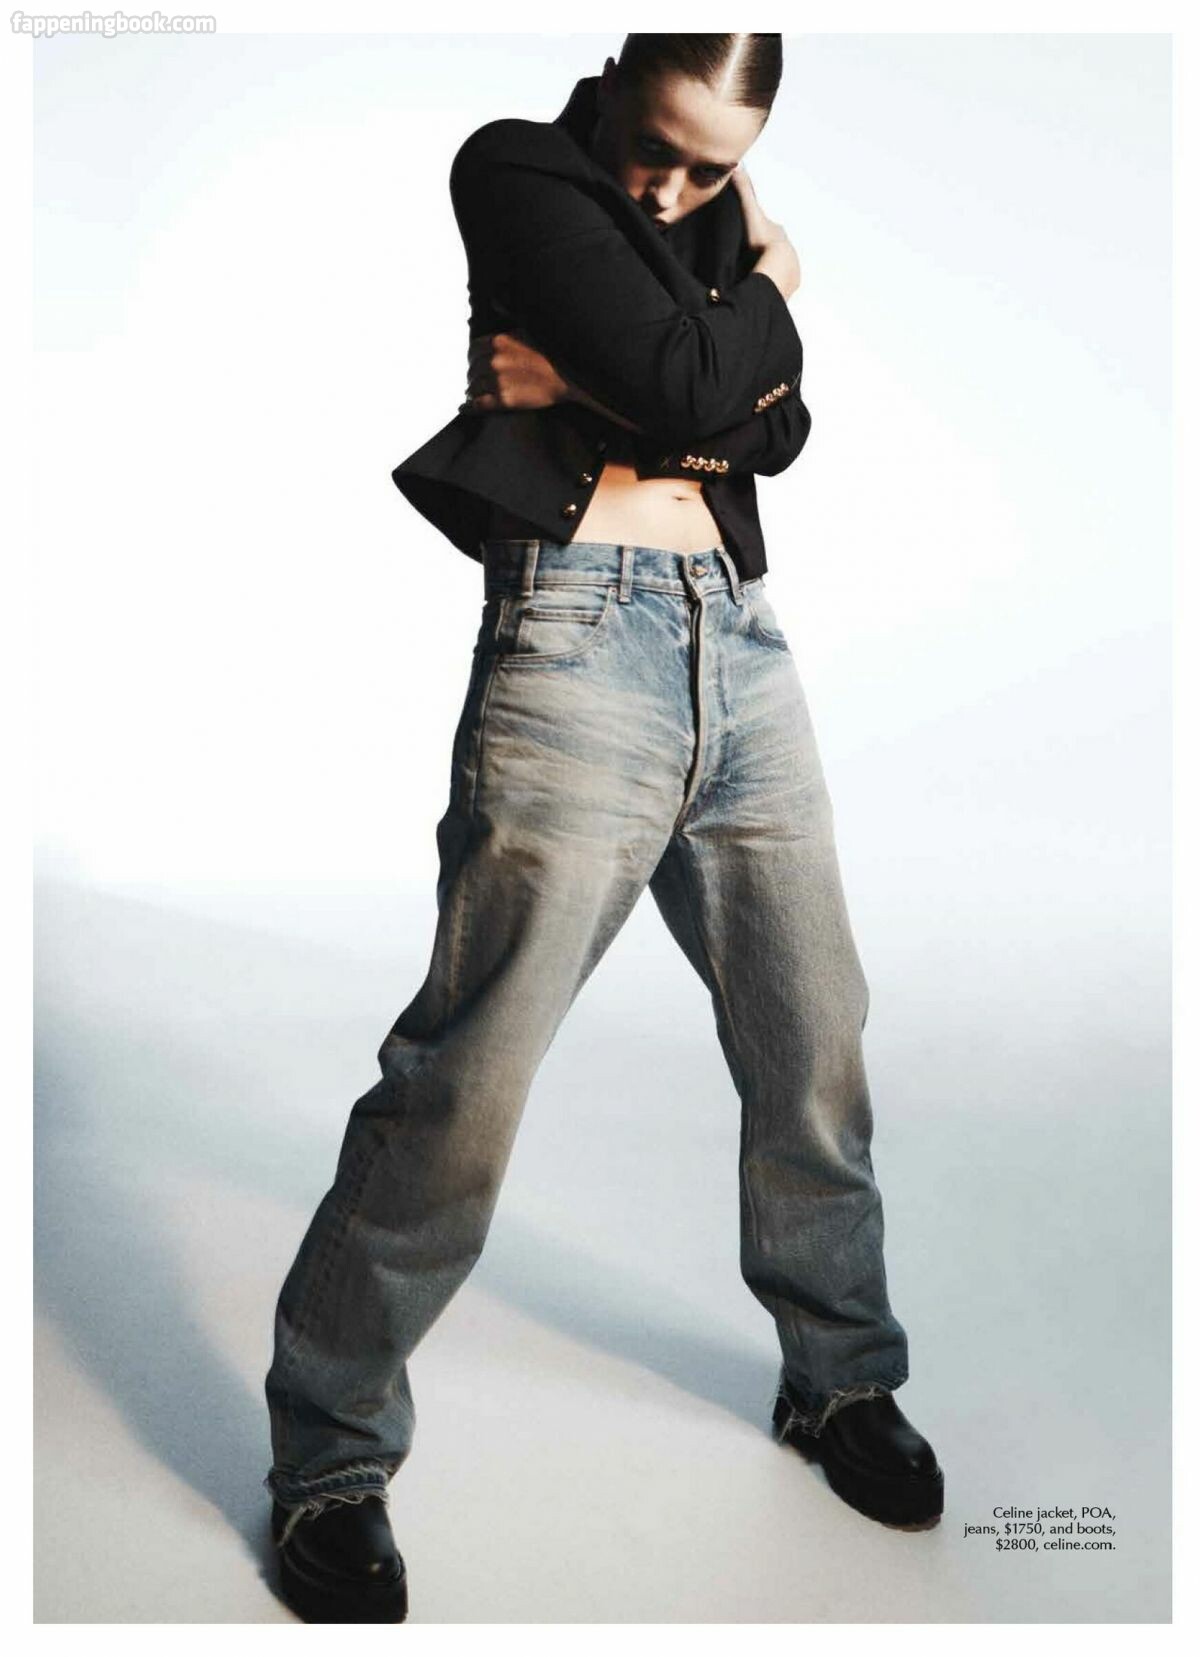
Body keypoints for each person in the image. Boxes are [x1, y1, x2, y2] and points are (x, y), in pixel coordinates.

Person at [263, 34, 944, 1624]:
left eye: (717, 168)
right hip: (577, 641)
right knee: (470, 1073)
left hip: (741, 642)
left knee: (814, 1033)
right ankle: (329, 1458)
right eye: (660, 144)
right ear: (623, 75)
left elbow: (776, 433)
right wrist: (768, 284)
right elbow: (723, 390)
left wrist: (608, 382)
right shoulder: (519, 169)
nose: (677, 184)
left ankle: (837, 1377)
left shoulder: (700, 226)